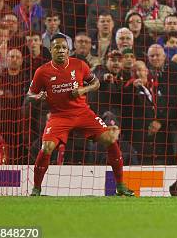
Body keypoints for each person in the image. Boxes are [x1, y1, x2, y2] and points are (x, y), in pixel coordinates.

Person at [26, 33, 134, 196]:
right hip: (59, 116)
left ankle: (120, 185)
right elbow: (29, 95)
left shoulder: (80, 65)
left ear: (68, 50)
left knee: (111, 139)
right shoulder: (42, 71)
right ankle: (36, 188)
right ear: (50, 50)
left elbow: (96, 83)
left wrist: (83, 89)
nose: (61, 50)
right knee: (46, 147)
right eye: (57, 47)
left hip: (83, 113)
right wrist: (38, 96)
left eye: (64, 47)